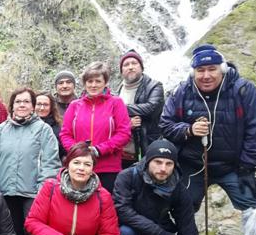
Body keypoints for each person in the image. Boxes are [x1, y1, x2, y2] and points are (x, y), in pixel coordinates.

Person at [160, 43, 256, 235]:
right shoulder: (181, 92)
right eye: (200, 70)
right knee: (183, 207)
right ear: (193, 72)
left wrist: (247, 165)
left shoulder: (242, 90)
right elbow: (165, 125)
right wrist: (188, 130)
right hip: (194, 165)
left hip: (234, 166)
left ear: (222, 69)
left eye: (211, 69)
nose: (206, 75)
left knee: (252, 204)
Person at [0, 87, 61, 235]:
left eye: (26, 101)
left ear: (33, 106)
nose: (22, 105)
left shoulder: (44, 130)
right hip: (6, 193)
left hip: (32, 194)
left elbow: (50, 164)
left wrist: (42, 191)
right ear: (12, 106)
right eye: (18, 101)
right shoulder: (1, 130)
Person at [60, 61, 132, 193]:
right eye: (90, 81)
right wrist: (79, 152)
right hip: (79, 167)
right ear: (84, 83)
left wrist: (99, 150)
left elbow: (124, 133)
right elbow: (65, 134)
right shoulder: (74, 105)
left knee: (105, 207)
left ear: (105, 82)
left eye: (98, 81)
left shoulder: (116, 103)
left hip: (108, 168)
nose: (93, 85)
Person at [116, 50, 164, 168]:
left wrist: (119, 108)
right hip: (122, 150)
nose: (130, 67)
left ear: (142, 67)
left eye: (134, 63)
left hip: (147, 145)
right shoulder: (119, 89)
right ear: (121, 71)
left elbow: (151, 108)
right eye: (126, 65)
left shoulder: (154, 86)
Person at [35, 92, 65, 161]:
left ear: (51, 107)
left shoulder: (59, 127)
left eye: (45, 105)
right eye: (39, 104)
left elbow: (62, 152)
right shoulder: (25, 125)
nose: (42, 108)